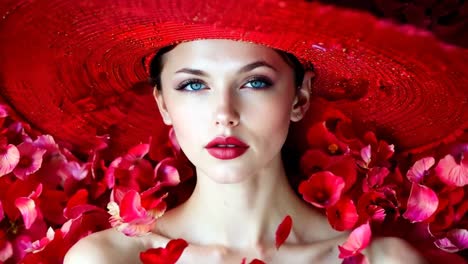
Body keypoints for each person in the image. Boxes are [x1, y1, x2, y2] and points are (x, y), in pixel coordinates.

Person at [0, 0, 466, 263]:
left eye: (255, 82)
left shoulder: (384, 262)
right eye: (194, 85)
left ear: (300, 97)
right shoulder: (106, 260)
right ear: (164, 103)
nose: (224, 113)